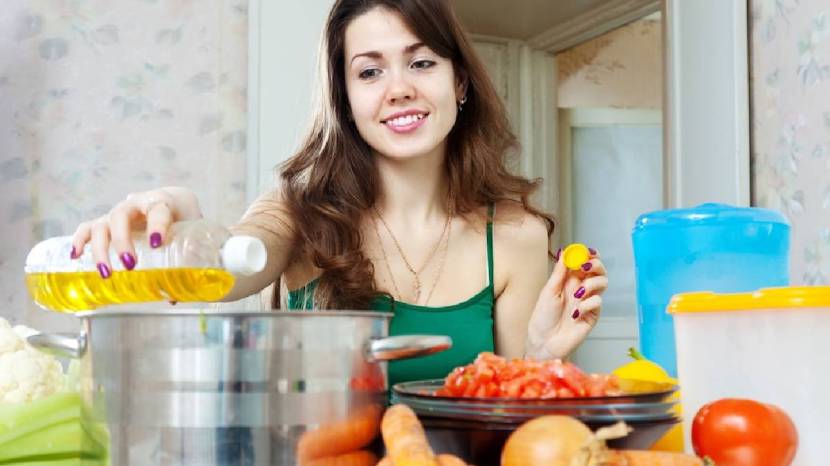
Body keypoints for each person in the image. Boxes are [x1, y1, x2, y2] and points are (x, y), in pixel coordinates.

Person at [68, 0, 608, 386]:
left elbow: (515, 420)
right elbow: (228, 268)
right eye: (369, 71)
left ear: (459, 83)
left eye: (421, 63)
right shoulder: (296, 212)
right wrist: (183, 228)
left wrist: (540, 355)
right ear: (345, 97)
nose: (399, 88)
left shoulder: (515, 236)